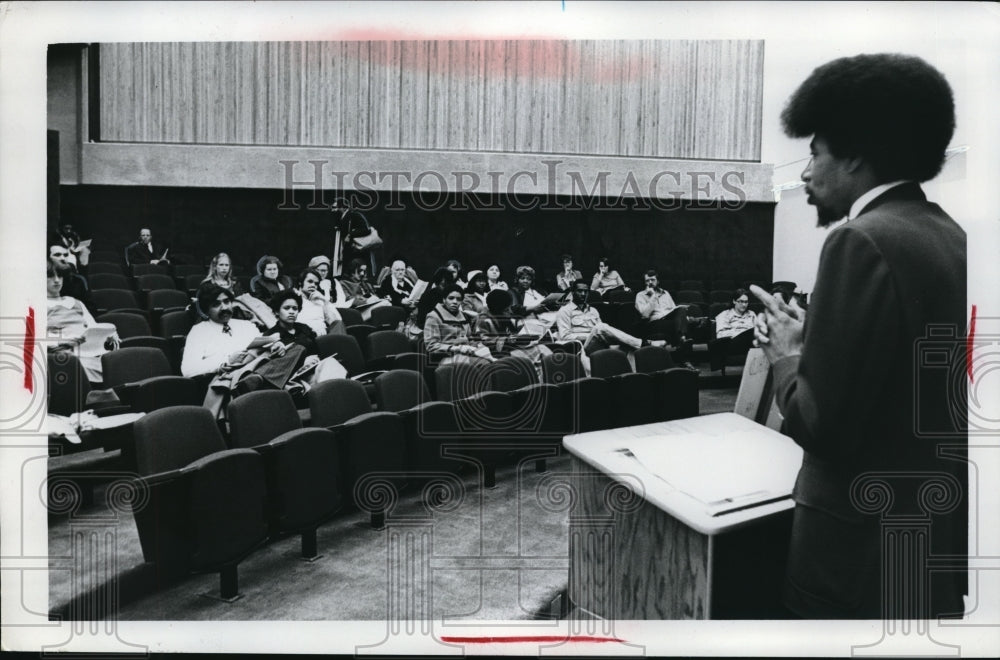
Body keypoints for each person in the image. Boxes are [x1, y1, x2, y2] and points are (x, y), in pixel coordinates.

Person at [752, 53, 966, 619]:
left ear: (854, 154)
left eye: (814, 152)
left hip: (853, 555)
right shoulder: (951, 237)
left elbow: (822, 427)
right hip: (926, 541)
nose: (803, 173)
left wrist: (787, 355)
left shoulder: (859, 241)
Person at [46, 260, 118, 383]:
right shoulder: (38, 305)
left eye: (60, 275)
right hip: (64, 354)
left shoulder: (76, 302)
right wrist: (61, 341)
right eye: (51, 276)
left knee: (121, 363)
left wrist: (108, 336)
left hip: (90, 350)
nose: (57, 280)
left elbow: (93, 327)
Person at [555, 280, 642, 356]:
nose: (583, 294)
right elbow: (564, 336)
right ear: (573, 292)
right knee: (600, 327)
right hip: (582, 345)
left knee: (626, 346)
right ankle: (641, 343)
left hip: (598, 342)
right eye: (580, 291)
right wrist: (590, 336)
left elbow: (603, 332)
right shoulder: (565, 311)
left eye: (586, 291)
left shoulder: (593, 310)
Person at [634, 269, 694, 368]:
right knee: (684, 325)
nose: (650, 283)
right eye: (647, 281)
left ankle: (682, 338)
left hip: (669, 322)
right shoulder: (640, 295)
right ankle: (683, 347)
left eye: (652, 280)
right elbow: (644, 314)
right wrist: (652, 296)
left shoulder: (665, 293)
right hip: (654, 324)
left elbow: (674, 310)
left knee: (681, 310)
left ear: (658, 281)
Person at [422, 284, 492, 366]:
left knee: (489, 363)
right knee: (483, 365)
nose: (455, 302)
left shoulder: (463, 316)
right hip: (445, 356)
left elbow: (469, 339)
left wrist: (478, 345)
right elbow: (431, 346)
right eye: (451, 298)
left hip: (466, 354)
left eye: (458, 299)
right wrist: (458, 348)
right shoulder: (433, 317)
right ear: (444, 300)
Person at [708, 289, 756, 372]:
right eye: (741, 301)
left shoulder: (751, 314)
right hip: (732, 345)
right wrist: (740, 333)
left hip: (750, 343)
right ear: (734, 301)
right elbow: (721, 335)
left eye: (746, 302)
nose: (744, 304)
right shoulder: (724, 314)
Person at [509, 265, 564, 337]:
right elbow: (515, 308)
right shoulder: (513, 291)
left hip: (547, 317)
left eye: (528, 279)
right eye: (522, 278)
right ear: (517, 279)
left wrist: (555, 303)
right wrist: (534, 308)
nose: (525, 281)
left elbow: (547, 303)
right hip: (528, 320)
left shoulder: (538, 291)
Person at [294, 268, 346, 336]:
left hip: (324, 335)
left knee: (338, 324)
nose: (313, 285)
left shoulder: (320, 300)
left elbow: (336, 321)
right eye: (310, 281)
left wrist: (325, 301)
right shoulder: (294, 298)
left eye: (316, 283)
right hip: (306, 335)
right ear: (300, 282)